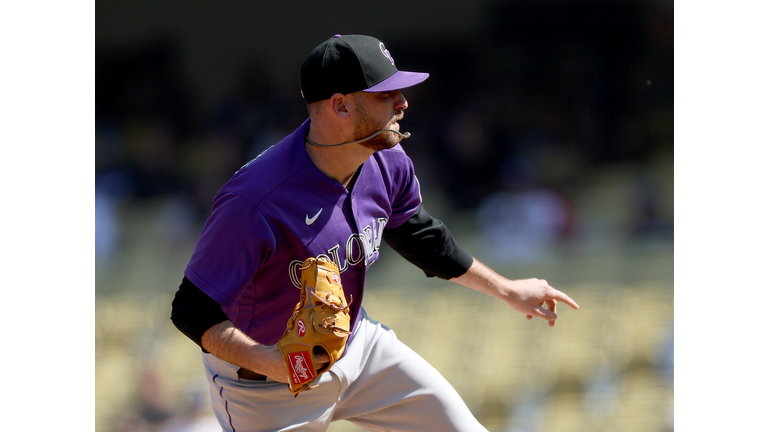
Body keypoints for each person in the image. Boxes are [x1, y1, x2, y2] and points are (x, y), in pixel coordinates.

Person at [170, 34, 579, 432]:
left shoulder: (387, 160)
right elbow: (192, 310)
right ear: (341, 105)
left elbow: (419, 236)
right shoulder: (255, 200)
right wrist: (273, 360)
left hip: (360, 348)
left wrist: (507, 290)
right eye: (386, 94)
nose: (403, 103)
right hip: (264, 388)